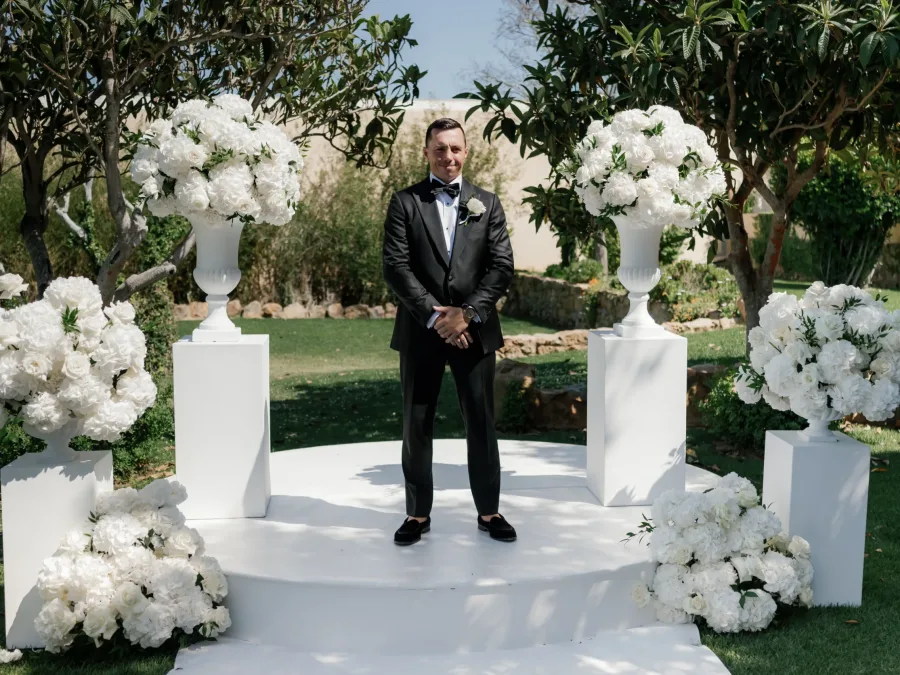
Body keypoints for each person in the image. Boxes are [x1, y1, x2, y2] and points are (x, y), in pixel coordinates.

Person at [382, 118, 516, 546]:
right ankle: (417, 514)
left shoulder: (487, 204)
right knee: (416, 423)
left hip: (475, 333)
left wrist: (469, 314)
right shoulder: (404, 203)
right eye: (440, 149)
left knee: (481, 421)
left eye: (456, 149)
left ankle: (489, 511)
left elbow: (501, 267)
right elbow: (396, 268)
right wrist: (438, 318)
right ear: (426, 153)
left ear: (466, 151)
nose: (449, 157)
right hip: (421, 332)